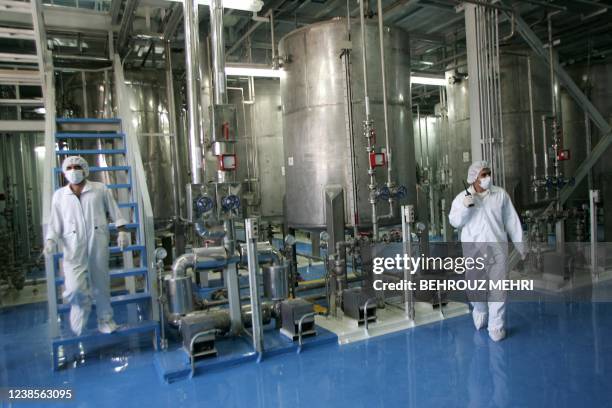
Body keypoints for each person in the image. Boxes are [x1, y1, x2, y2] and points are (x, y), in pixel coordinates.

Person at [44, 156, 130, 335]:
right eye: (70, 167)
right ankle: (81, 306)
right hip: (72, 246)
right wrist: (51, 239)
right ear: (64, 171)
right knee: (74, 287)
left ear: (84, 169)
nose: (73, 170)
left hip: (97, 241)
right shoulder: (60, 195)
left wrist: (121, 230)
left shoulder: (99, 189)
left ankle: (105, 320)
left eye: (77, 167)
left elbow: (114, 209)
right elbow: (55, 222)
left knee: (101, 283)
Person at [448, 160, 524, 342]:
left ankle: (496, 326)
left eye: (489, 173)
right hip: (473, 250)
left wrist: (521, 244)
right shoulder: (462, 198)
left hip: (497, 248)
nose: (487, 178)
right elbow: (454, 221)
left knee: (499, 289)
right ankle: (480, 309)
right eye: (483, 175)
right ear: (474, 178)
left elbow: (511, 220)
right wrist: (466, 208)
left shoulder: (500, 195)